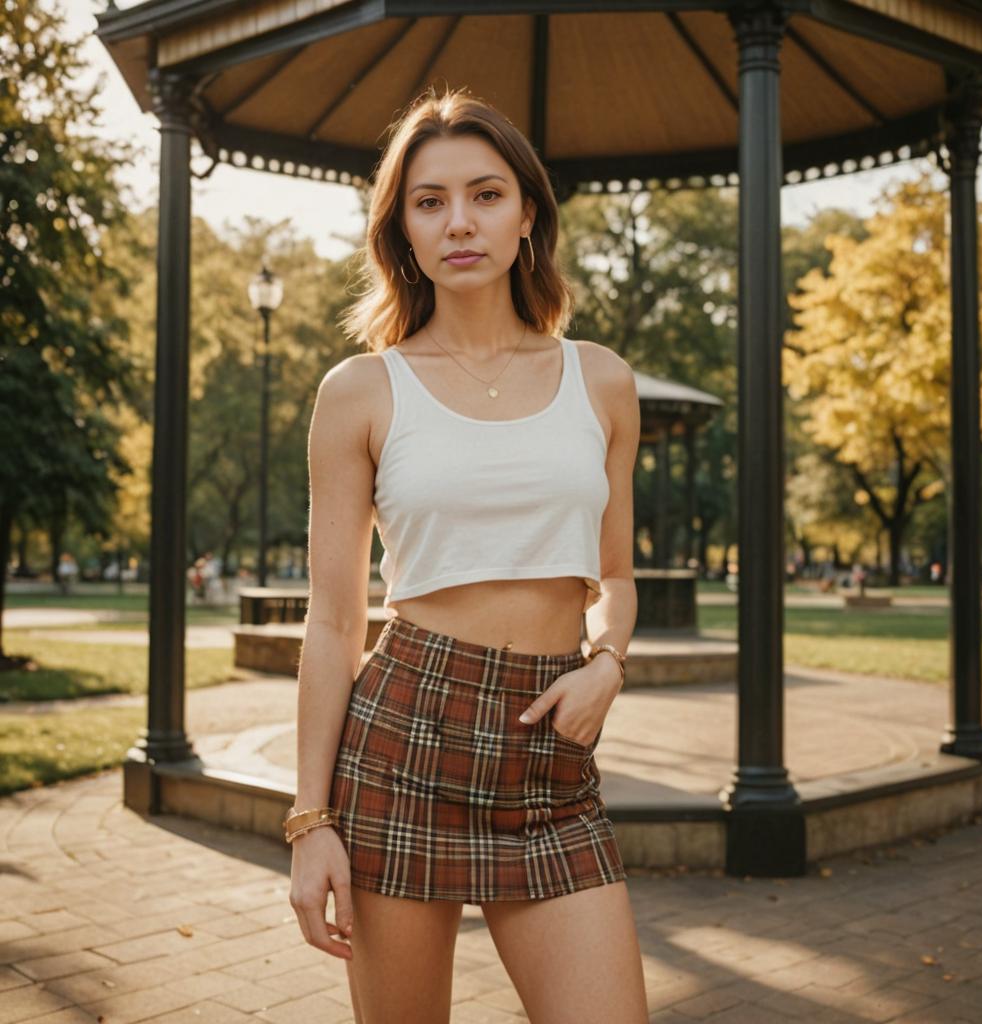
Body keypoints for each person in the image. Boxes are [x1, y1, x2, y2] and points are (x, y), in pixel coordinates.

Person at [286, 86, 647, 1024]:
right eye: (429, 200)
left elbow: (612, 573)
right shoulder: (361, 390)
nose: (460, 222)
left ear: (528, 213)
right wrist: (309, 823)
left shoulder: (601, 380)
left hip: (551, 752)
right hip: (406, 732)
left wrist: (608, 660)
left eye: (486, 195)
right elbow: (332, 623)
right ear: (400, 229)